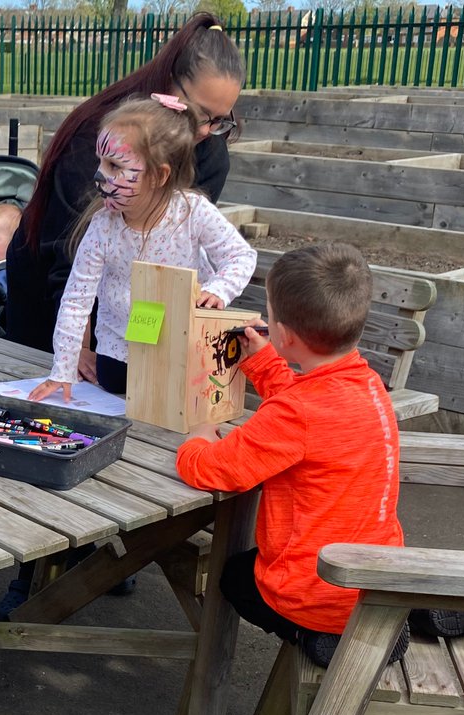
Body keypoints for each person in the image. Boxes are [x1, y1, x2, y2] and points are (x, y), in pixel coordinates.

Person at [175, 243, 409, 668]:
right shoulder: (366, 382)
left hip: (319, 592)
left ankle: (316, 634)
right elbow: (307, 408)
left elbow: (212, 470)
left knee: (234, 578)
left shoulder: (296, 413)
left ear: (284, 334)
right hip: (377, 576)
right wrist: (265, 365)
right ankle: (415, 610)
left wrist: (199, 436)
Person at [6, 12, 246, 357]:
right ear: (168, 83)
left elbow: (180, 250)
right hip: (51, 289)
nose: (206, 130)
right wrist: (80, 347)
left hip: (134, 303)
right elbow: (67, 253)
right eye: (199, 113)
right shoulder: (103, 137)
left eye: (220, 120)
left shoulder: (210, 154)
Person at [29, 96, 257, 402]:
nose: (99, 174)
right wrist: (63, 370)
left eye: (114, 165)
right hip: (123, 344)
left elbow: (240, 256)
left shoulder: (193, 212)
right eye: (100, 161)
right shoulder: (103, 226)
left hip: (184, 339)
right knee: (117, 384)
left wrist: (218, 290)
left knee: (181, 394)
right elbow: (76, 301)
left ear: (159, 175)